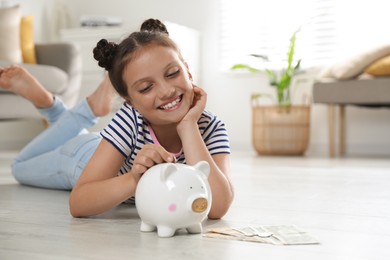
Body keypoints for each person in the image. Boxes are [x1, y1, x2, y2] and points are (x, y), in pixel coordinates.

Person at [0, 18, 234, 219]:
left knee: (83, 139)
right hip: (80, 159)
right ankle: (55, 106)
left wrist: (188, 126)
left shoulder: (210, 127)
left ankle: (74, 109)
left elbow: (218, 207)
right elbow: (79, 203)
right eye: (145, 87)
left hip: (105, 145)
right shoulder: (130, 119)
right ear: (130, 102)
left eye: (172, 73)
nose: (166, 91)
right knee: (20, 167)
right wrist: (134, 179)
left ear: (188, 70)